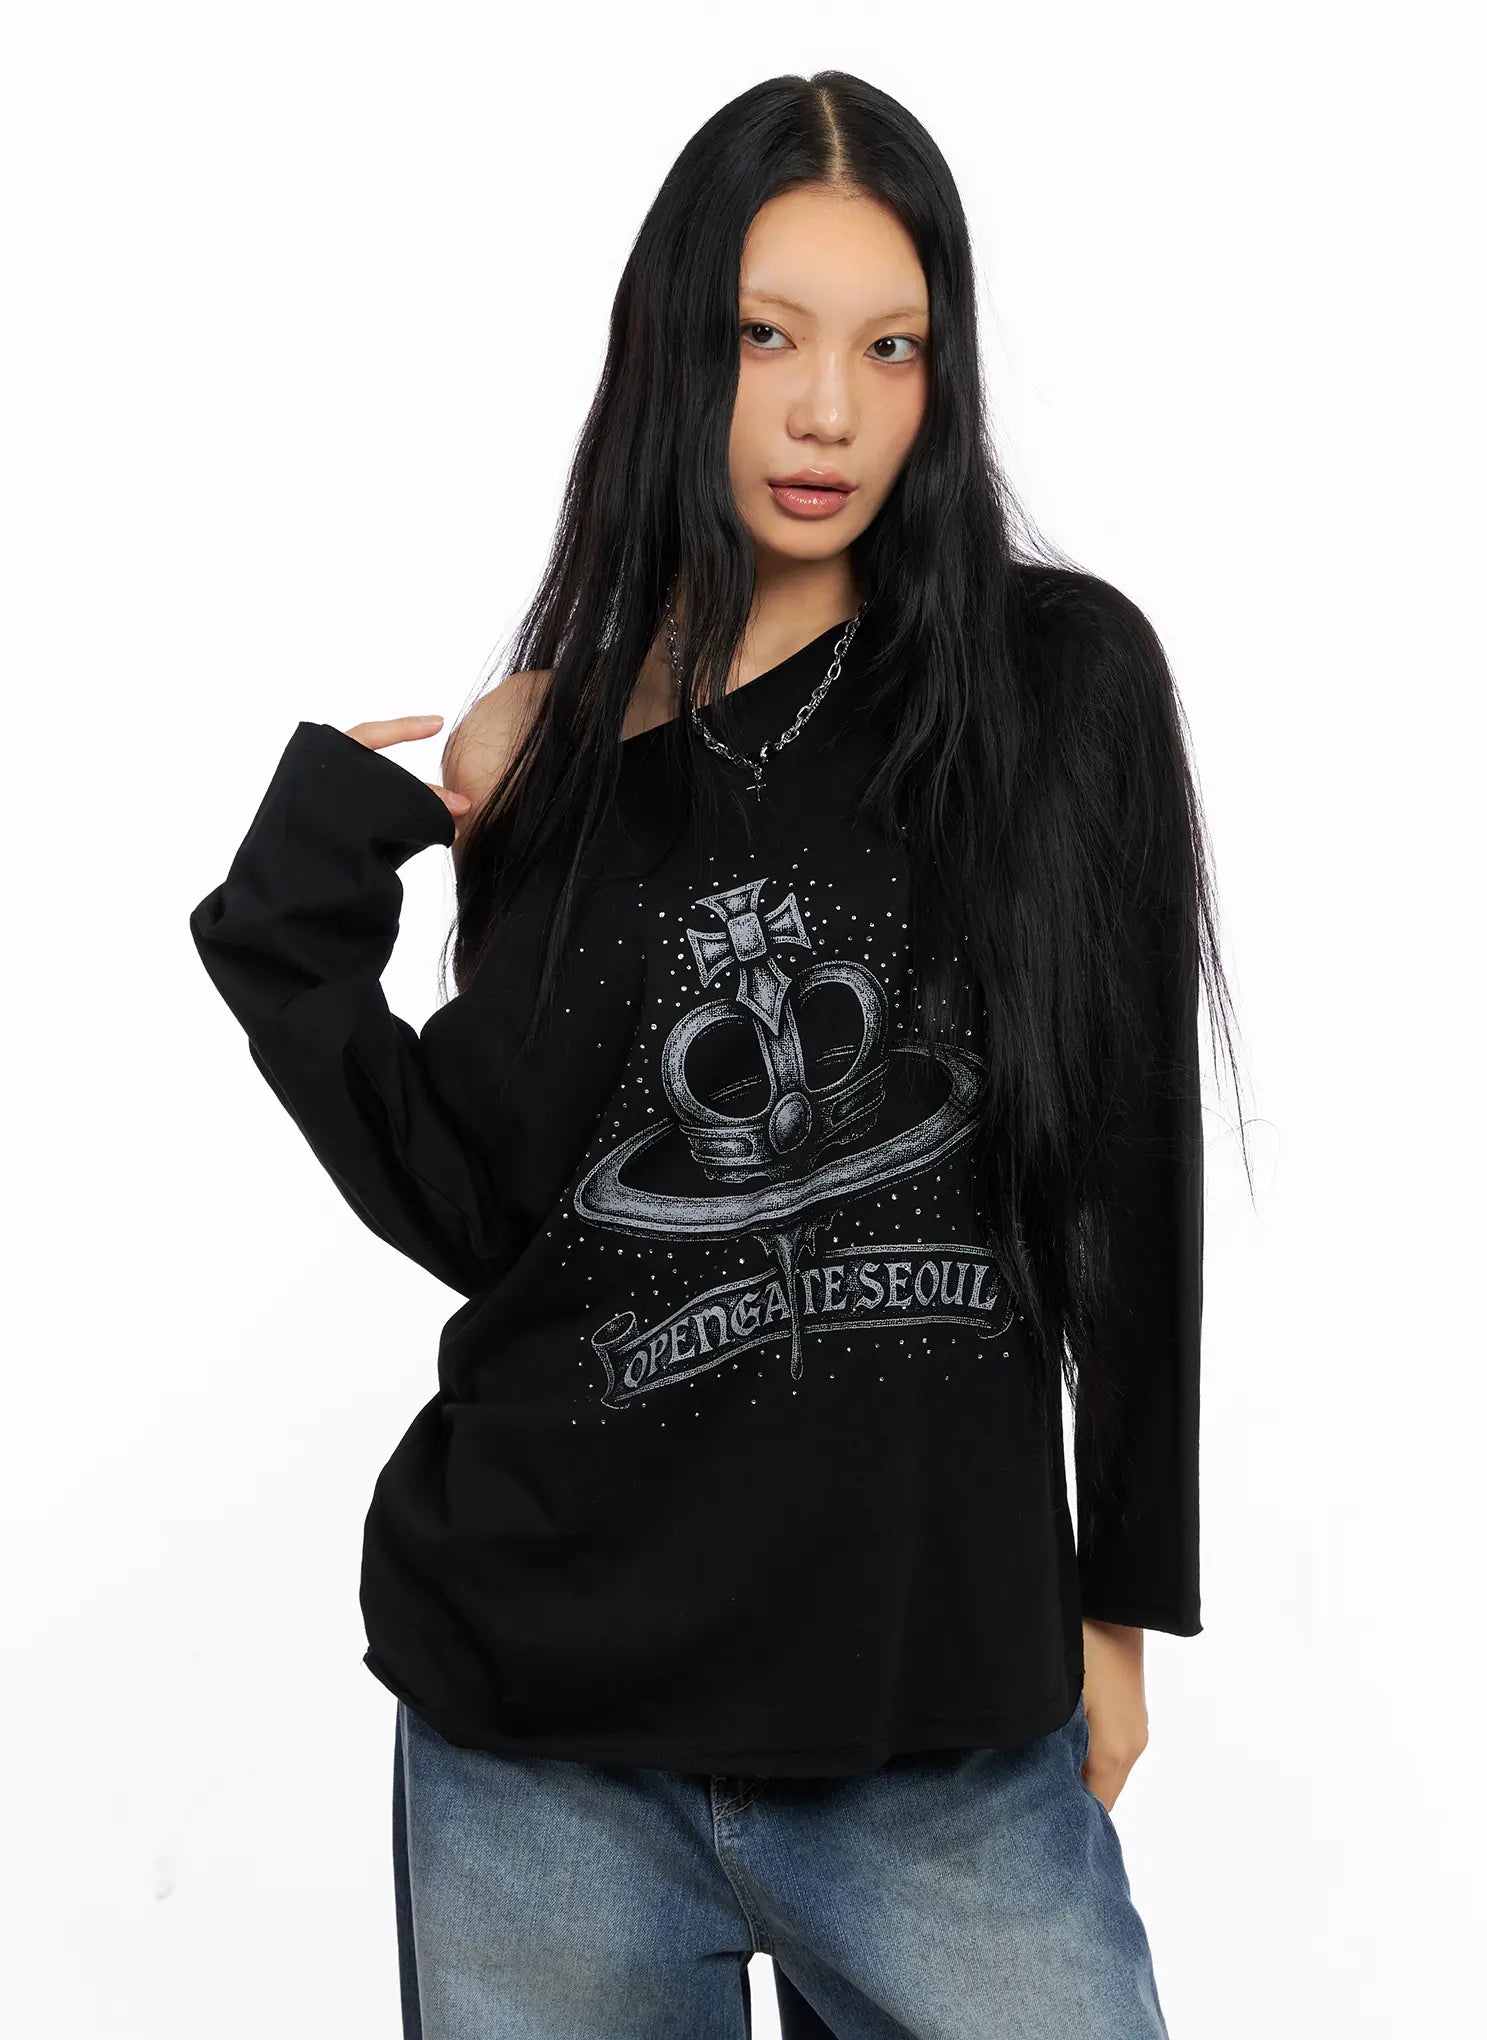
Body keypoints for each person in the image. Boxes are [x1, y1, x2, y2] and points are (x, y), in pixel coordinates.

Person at [189, 67, 1242, 2040]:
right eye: (767, 337)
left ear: (943, 376)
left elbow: (1132, 1174)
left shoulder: (1057, 684)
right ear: (676, 344)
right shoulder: (562, 754)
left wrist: (1123, 1599)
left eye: (889, 347)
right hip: (547, 1753)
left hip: (940, 1741)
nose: (828, 407)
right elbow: (487, 1209)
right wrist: (312, 885)